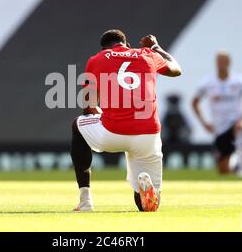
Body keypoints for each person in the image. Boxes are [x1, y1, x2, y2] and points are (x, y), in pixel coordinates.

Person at [70, 29, 182, 212]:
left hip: (113, 133)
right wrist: (155, 46)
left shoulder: (97, 59)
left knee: (78, 124)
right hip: (148, 134)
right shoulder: (147, 54)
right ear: (127, 45)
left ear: (104, 48)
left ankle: (85, 201)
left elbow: (88, 105)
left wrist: (99, 112)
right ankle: (144, 190)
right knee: (147, 207)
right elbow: (176, 70)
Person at [192, 51, 242, 177]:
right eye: (219, 61)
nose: (221, 64)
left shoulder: (240, 81)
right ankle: (233, 161)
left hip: (235, 123)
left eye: (223, 61)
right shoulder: (208, 82)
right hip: (219, 128)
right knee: (224, 171)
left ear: (229, 62)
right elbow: (195, 102)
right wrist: (204, 123)